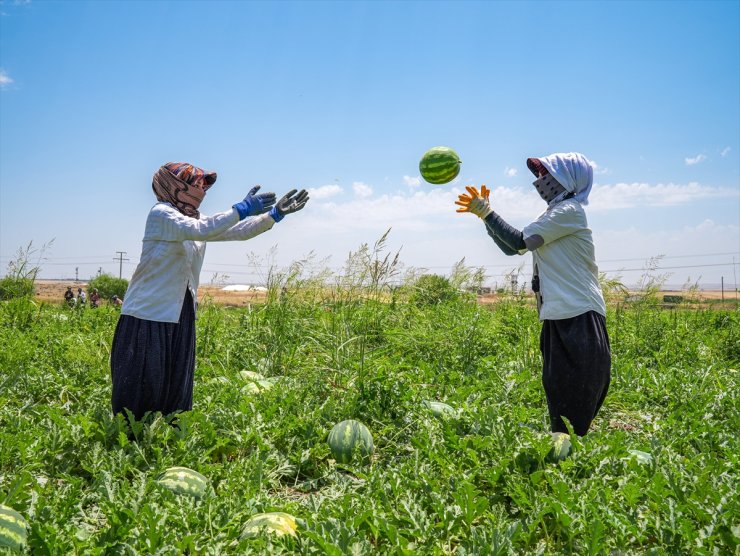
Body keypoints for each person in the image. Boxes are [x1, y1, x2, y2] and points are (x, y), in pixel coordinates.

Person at [110, 161, 309, 423]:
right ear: (174, 186)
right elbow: (202, 230)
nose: (201, 190)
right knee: (144, 378)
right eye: (195, 184)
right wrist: (241, 209)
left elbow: (237, 231)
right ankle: (130, 436)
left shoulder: (195, 219)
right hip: (148, 311)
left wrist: (273, 216)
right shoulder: (161, 214)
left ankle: (169, 431)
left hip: (179, 308)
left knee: (174, 375)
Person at [456, 152, 610, 436]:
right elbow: (512, 248)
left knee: (576, 395)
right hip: (557, 313)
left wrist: (488, 214)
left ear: (567, 178)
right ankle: (562, 454)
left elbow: (518, 240)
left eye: (546, 174)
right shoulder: (551, 214)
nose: (540, 180)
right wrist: (485, 218)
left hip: (579, 313)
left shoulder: (570, 211)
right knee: (557, 388)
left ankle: (572, 460)